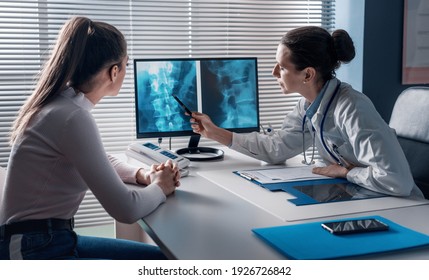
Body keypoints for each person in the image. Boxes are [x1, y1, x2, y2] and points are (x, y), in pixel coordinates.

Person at [0, 16, 181, 260]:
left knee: (159, 259)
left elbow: (96, 158)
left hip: (48, 239)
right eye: (126, 65)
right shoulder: (71, 117)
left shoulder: (62, 105)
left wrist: (144, 175)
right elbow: (126, 209)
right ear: (114, 72)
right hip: (34, 248)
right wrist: (161, 186)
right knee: (162, 262)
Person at [190, 26, 423, 199]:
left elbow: (397, 181)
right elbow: (277, 149)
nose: (273, 73)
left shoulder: (352, 108)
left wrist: (346, 172)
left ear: (308, 75)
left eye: (281, 67)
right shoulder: (308, 105)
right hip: (362, 199)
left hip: (402, 209)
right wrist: (217, 133)